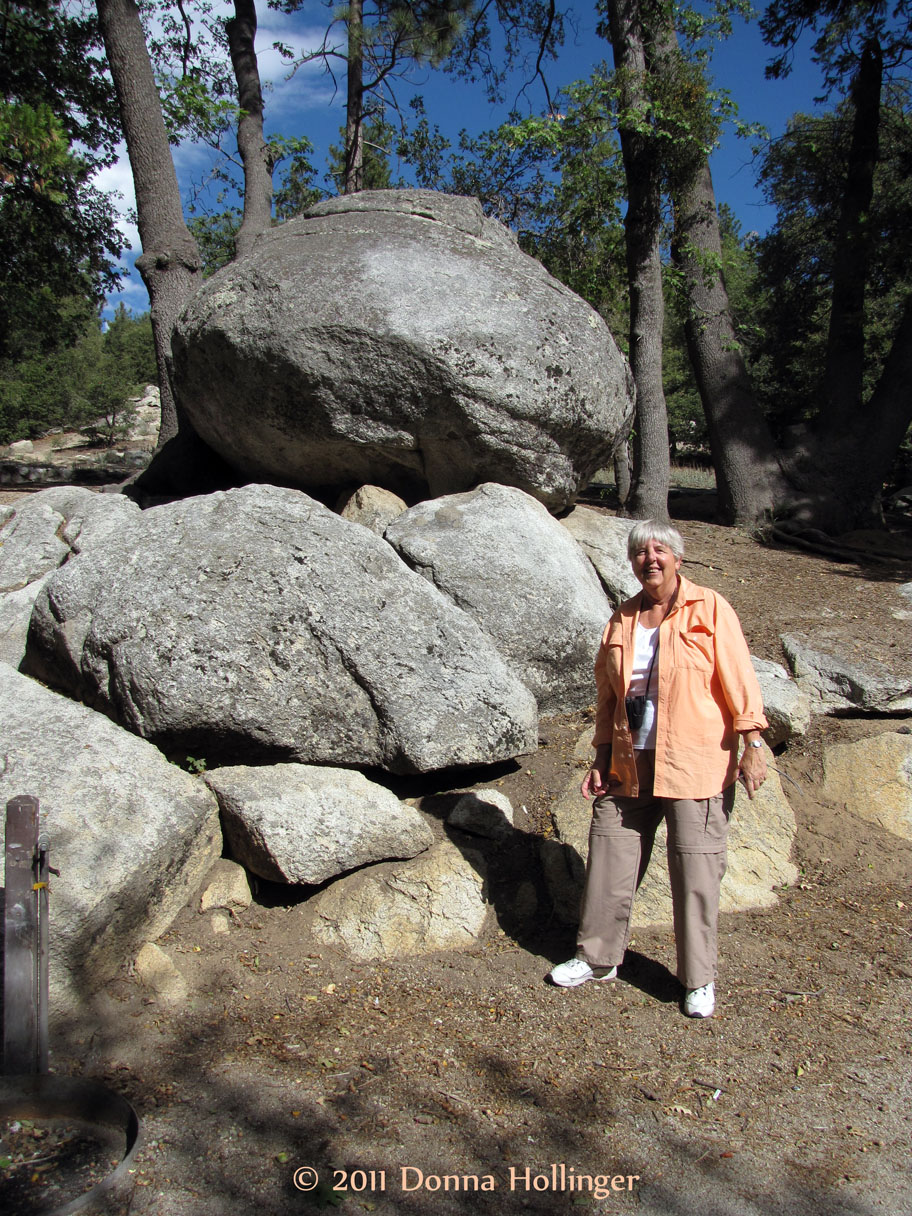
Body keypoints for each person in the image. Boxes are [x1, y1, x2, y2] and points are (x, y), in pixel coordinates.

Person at [548, 520, 768, 1018]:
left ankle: (698, 979)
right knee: (609, 853)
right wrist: (601, 755)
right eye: (640, 552)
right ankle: (597, 958)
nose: (650, 558)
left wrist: (752, 739)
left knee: (695, 868)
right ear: (630, 563)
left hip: (696, 759)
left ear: (677, 558)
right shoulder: (621, 619)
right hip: (631, 759)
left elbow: (738, 675)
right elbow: (608, 697)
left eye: (660, 549)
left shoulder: (709, 608)